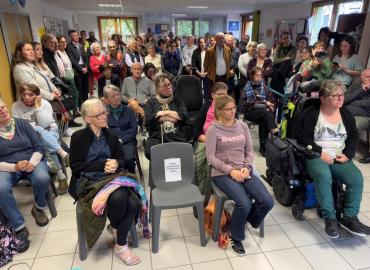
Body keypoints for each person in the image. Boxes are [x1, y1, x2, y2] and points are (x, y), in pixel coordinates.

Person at [69, 98, 141, 265]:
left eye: (104, 112)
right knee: (122, 198)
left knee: (134, 202)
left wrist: (116, 163)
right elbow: (76, 167)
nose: (104, 116)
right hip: (88, 182)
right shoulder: (78, 137)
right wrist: (103, 165)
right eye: (99, 114)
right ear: (87, 118)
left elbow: (122, 159)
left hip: (112, 178)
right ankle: (119, 238)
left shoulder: (111, 135)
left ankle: (119, 239)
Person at [297, 79, 370, 238]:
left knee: (356, 179)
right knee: (324, 176)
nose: (340, 98)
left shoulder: (345, 113)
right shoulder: (312, 112)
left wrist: (348, 155)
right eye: (335, 95)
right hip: (316, 156)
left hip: (338, 156)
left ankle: (350, 217)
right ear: (323, 98)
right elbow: (302, 136)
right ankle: (330, 219)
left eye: (342, 95)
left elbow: (353, 137)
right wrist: (319, 151)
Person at [206, 95, 273, 255]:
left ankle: (245, 220)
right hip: (222, 173)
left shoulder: (242, 126)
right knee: (244, 203)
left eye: (234, 108)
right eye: (228, 109)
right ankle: (236, 237)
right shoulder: (213, 130)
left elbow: (249, 151)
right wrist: (231, 171)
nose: (233, 111)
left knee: (268, 201)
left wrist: (247, 167)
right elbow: (211, 158)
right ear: (220, 111)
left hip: (243, 170)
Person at [0, 99, 51, 252]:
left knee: (42, 178)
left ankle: (39, 207)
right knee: (1, 188)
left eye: (3, 107)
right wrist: (14, 167)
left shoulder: (22, 123)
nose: (3, 110)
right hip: (8, 167)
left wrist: (32, 163)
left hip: (32, 160)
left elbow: (39, 147)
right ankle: (19, 226)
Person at [11, 84, 69, 194]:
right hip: (29, 136)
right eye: (24, 95)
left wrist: (38, 108)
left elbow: (45, 124)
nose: (27, 97)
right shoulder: (16, 106)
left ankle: (60, 176)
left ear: (37, 95)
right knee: (38, 132)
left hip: (50, 131)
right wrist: (32, 128)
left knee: (42, 140)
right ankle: (62, 157)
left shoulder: (45, 103)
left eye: (30, 94)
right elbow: (19, 127)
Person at [193, 83, 228, 194]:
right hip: (205, 139)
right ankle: (202, 190)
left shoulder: (229, 108)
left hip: (223, 142)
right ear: (213, 95)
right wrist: (205, 139)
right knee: (199, 162)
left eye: (225, 95)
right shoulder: (206, 107)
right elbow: (197, 128)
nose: (223, 97)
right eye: (220, 94)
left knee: (214, 165)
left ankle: (214, 189)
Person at [144, 74, 188, 159]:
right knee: (150, 151)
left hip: (176, 134)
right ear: (157, 89)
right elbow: (149, 119)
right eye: (164, 86)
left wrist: (165, 112)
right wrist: (168, 118)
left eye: (169, 84)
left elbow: (184, 116)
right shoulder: (151, 101)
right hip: (157, 136)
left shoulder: (177, 99)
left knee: (184, 150)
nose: (168, 87)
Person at [243, 66, 278, 156]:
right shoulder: (248, 87)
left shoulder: (264, 86)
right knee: (265, 113)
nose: (259, 77)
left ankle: (263, 147)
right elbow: (249, 103)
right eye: (257, 75)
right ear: (252, 76)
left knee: (264, 118)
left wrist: (270, 105)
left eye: (260, 75)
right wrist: (266, 103)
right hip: (250, 112)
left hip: (263, 113)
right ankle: (275, 131)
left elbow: (272, 100)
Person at [104, 85, 137, 173]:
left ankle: (131, 181)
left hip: (127, 141)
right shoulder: (104, 113)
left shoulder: (128, 110)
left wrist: (121, 140)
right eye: (113, 96)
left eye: (118, 94)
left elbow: (133, 129)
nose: (117, 97)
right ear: (106, 100)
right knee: (107, 161)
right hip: (110, 143)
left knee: (129, 159)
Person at [344, 68, 370, 163]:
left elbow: (367, 104)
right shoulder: (355, 86)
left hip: (366, 116)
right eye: (368, 77)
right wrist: (360, 91)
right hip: (350, 111)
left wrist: (352, 103)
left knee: (355, 123)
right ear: (361, 77)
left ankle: (349, 152)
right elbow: (345, 99)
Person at [204, 32, 232, 100]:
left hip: (224, 77)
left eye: (223, 38)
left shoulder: (228, 50)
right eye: (220, 38)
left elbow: (229, 62)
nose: (221, 40)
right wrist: (209, 73)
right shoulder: (209, 50)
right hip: (213, 77)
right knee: (214, 95)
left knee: (223, 95)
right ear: (216, 39)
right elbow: (205, 64)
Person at [66, 29, 89, 105]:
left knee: (85, 87)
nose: (77, 37)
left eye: (77, 35)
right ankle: (80, 104)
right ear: (71, 37)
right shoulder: (69, 47)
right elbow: (72, 60)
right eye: (74, 36)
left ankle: (86, 102)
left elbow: (86, 57)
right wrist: (81, 68)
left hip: (84, 68)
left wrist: (86, 67)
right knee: (79, 88)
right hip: (77, 69)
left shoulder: (81, 45)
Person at [57, 35, 80, 109]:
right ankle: (73, 110)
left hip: (70, 76)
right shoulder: (57, 53)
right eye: (61, 42)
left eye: (65, 42)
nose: (64, 43)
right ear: (58, 43)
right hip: (65, 78)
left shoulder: (65, 52)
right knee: (73, 94)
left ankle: (74, 110)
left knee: (75, 94)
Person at [225, 34, 241, 104]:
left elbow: (239, 62)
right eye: (228, 41)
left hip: (234, 74)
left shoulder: (237, 50)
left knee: (236, 91)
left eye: (231, 41)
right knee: (226, 91)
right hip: (224, 74)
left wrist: (233, 70)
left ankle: (236, 106)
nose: (230, 42)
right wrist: (227, 71)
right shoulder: (221, 50)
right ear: (225, 41)